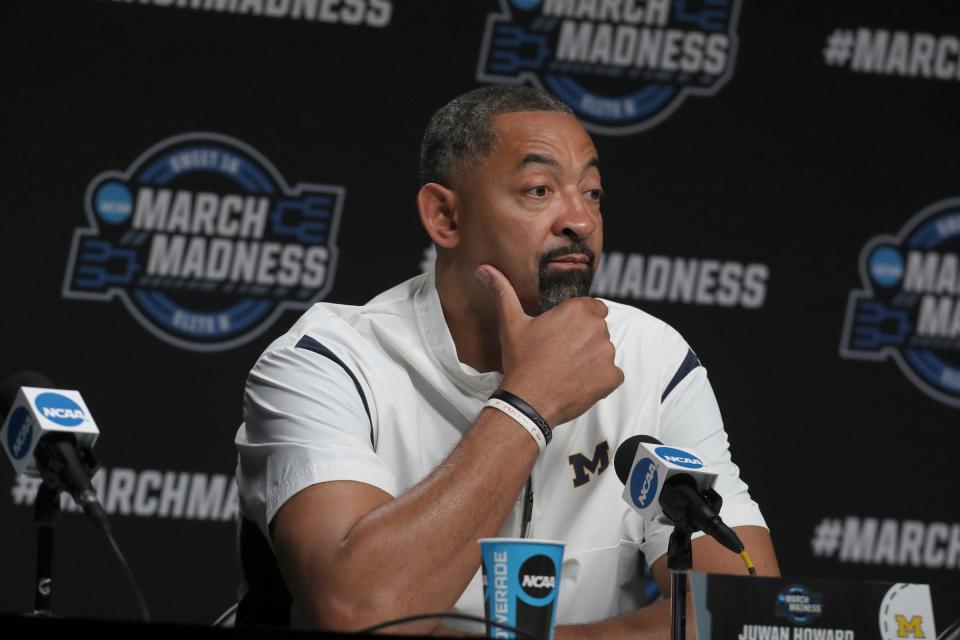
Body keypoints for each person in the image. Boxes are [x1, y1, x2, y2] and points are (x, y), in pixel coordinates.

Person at [234, 85, 779, 637]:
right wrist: (528, 404)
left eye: (592, 193)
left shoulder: (651, 357)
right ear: (445, 216)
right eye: (540, 190)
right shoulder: (327, 363)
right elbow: (360, 613)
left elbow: (737, 609)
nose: (581, 221)